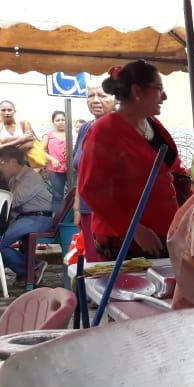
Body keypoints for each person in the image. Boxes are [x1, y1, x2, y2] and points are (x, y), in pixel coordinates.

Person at [78, 60, 189, 260]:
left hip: (166, 232)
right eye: (159, 89)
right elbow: (91, 188)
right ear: (137, 91)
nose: (164, 97)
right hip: (124, 240)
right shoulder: (104, 130)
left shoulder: (154, 124)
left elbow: (173, 169)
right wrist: (134, 229)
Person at [71, 81, 117, 261]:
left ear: (115, 98)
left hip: (112, 213)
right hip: (86, 209)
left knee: (110, 265)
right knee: (92, 262)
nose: (95, 100)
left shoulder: (121, 126)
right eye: (91, 96)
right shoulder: (85, 128)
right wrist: (77, 206)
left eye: (102, 95)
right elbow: (80, 170)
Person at [0, 146, 52, 286]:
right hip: (26, 218)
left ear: (13, 162)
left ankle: (34, 267)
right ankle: (28, 270)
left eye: (2, 164)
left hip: (39, 218)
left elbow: (12, 202)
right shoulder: (15, 179)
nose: (0, 167)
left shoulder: (30, 177)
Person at [42, 110, 69, 212]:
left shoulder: (72, 134)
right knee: (57, 195)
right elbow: (40, 151)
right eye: (58, 120)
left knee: (74, 194)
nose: (61, 122)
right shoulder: (48, 135)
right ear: (53, 122)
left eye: (63, 120)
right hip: (54, 169)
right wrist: (52, 158)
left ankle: (71, 218)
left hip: (71, 168)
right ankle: (56, 220)